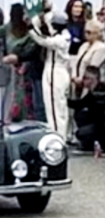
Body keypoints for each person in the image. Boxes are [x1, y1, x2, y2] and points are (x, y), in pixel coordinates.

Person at [30, 11, 72, 139]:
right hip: (58, 71)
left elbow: (42, 40)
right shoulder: (63, 35)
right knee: (60, 108)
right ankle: (61, 136)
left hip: (55, 72)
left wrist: (31, 27)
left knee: (54, 108)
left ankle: (57, 137)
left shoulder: (60, 39)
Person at [68, 66, 105, 151]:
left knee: (81, 133)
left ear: (91, 80)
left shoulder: (95, 94)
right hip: (99, 124)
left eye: (85, 78)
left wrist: (63, 100)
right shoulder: (95, 92)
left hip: (100, 126)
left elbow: (79, 104)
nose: (82, 80)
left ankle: (96, 144)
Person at [73, 19, 105, 93]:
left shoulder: (101, 48)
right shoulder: (84, 46)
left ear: (97, 33)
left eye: (89, 32)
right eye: (85, 32)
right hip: (78, 82)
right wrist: (74, 76)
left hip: (93, 85)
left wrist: (82, 79)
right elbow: (76, 62)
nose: (86, 34)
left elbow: (93, 67)